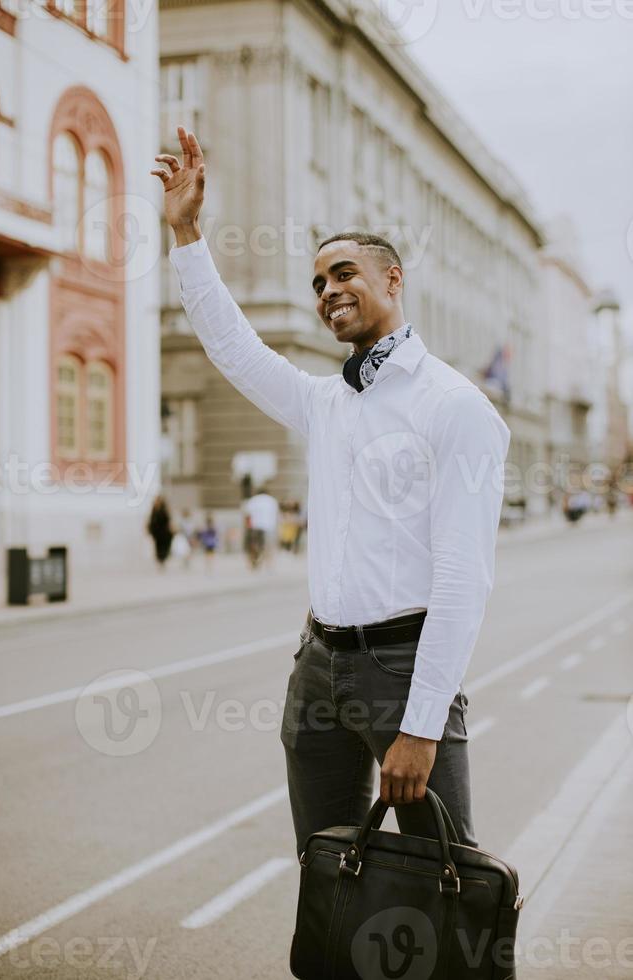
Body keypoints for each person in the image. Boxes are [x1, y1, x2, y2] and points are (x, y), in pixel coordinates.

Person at [151, 128, 510, 857]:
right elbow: (232, 348)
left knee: (446, 876)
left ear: (392, 279)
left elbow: (463, 577)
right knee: (328, 867)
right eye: (317, 283)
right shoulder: (327, 401)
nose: (328, 291)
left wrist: (420, 724)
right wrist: (186, 231)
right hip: (319, 664)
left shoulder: (454, 406)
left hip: (406, 668)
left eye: (343, 273)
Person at [241, 486, 279, 569]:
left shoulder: (252, 500)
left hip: (254, 526)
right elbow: (276, 515)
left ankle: (252, 563)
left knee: (252, 546)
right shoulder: (272, 500)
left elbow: (247, 516)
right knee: (268, 547)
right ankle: (269, 565)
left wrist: (247, 527)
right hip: (269, 527)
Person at [147, 495, 173, 568]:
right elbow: (151, 521)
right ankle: (160, 560)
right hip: (157, 532)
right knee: (158, 546)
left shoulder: (164, 510)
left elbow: (168, 520)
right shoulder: (154, 510)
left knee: (164, 546)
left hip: (164, 532)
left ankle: (163, 559)